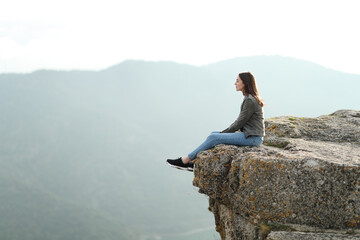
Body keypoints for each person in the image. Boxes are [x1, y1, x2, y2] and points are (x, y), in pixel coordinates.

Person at [167, 72, 265, 172]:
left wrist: (223, 133)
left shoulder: (250, 100)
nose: (235, 83)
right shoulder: (249, 98)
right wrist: (222, 133)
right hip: (250, 136)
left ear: (245, 83)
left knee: (214, 137)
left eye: (237, 81)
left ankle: (185, 160)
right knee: (213, 134)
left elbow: (239, 123)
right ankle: (193, 162)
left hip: (253, 138)